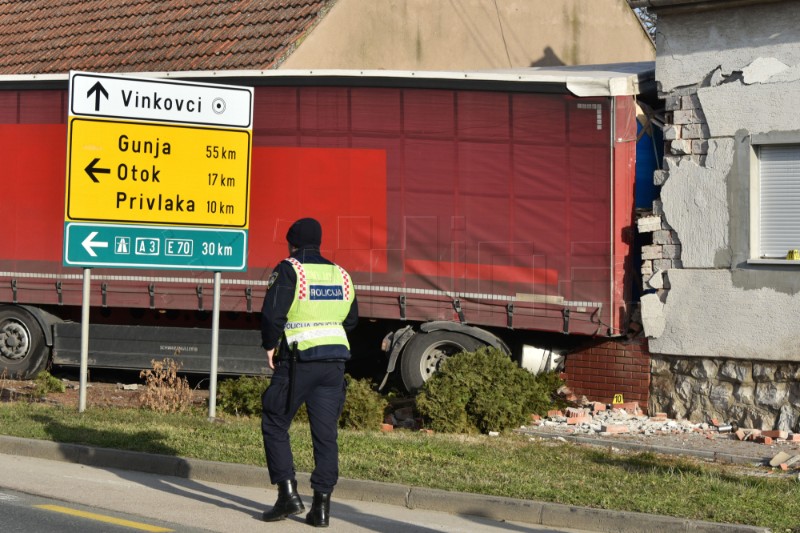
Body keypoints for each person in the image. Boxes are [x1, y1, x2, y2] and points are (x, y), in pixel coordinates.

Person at [260, 217, 358, 528]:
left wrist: (270, 345)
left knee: (275, 421)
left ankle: (287, 494)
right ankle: (321, 509)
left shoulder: (290, 268)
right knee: (326, 435)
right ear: (319, 241)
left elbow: (272, 313)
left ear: (291, 242)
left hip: (298, 361)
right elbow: (352, 319)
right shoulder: (341, 274)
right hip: (334, 364)